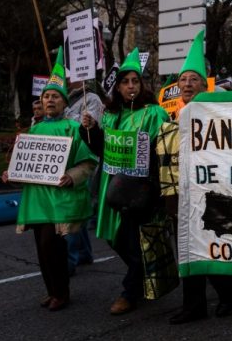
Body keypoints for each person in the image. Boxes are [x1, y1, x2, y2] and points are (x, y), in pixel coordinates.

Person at [3, 47, 97, 311]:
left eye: (56, 96)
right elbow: (26, 164)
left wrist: (71, 176)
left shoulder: (73, 128)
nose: (50, 100)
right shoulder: (34, 129)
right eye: (47, 97)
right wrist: (12, 175)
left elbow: (89, 162)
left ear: (65, 102)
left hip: (58, 199)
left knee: (51, 245)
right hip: (36, 199)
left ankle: (62, 292)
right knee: (41, 249)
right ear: (42, 102)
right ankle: (52, 290)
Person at [80, 47, 169, 315]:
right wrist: (91, 130)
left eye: (135, 81)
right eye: (125, 82)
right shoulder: (110, 116)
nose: (130, 86)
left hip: (140, 188)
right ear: (117, 87)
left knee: (131, 238)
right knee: (114, 238)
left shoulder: (154, 113)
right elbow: (101, 150)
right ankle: (139, 279)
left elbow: (163, 149)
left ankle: (129, 292)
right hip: (112, 185)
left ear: (142, 85)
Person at [167, 30, 232, 325]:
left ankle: (218, 295)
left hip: (210, 189)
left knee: (203, 244)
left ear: (205, 84)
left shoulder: (218, 113)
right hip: (180, 190)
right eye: (183, 80)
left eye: (193, 79)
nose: (187, 84)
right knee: (188, 246)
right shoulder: (172, 114)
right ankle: (212, 298)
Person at [64, 79, 105, 276]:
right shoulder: (64, 99)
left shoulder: (92, 99)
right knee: (76, 208)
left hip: (84, 156)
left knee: (76, 207)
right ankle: (84, 252)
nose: (70, 78)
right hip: (65, 158)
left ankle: (70, 260)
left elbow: (90, 130)